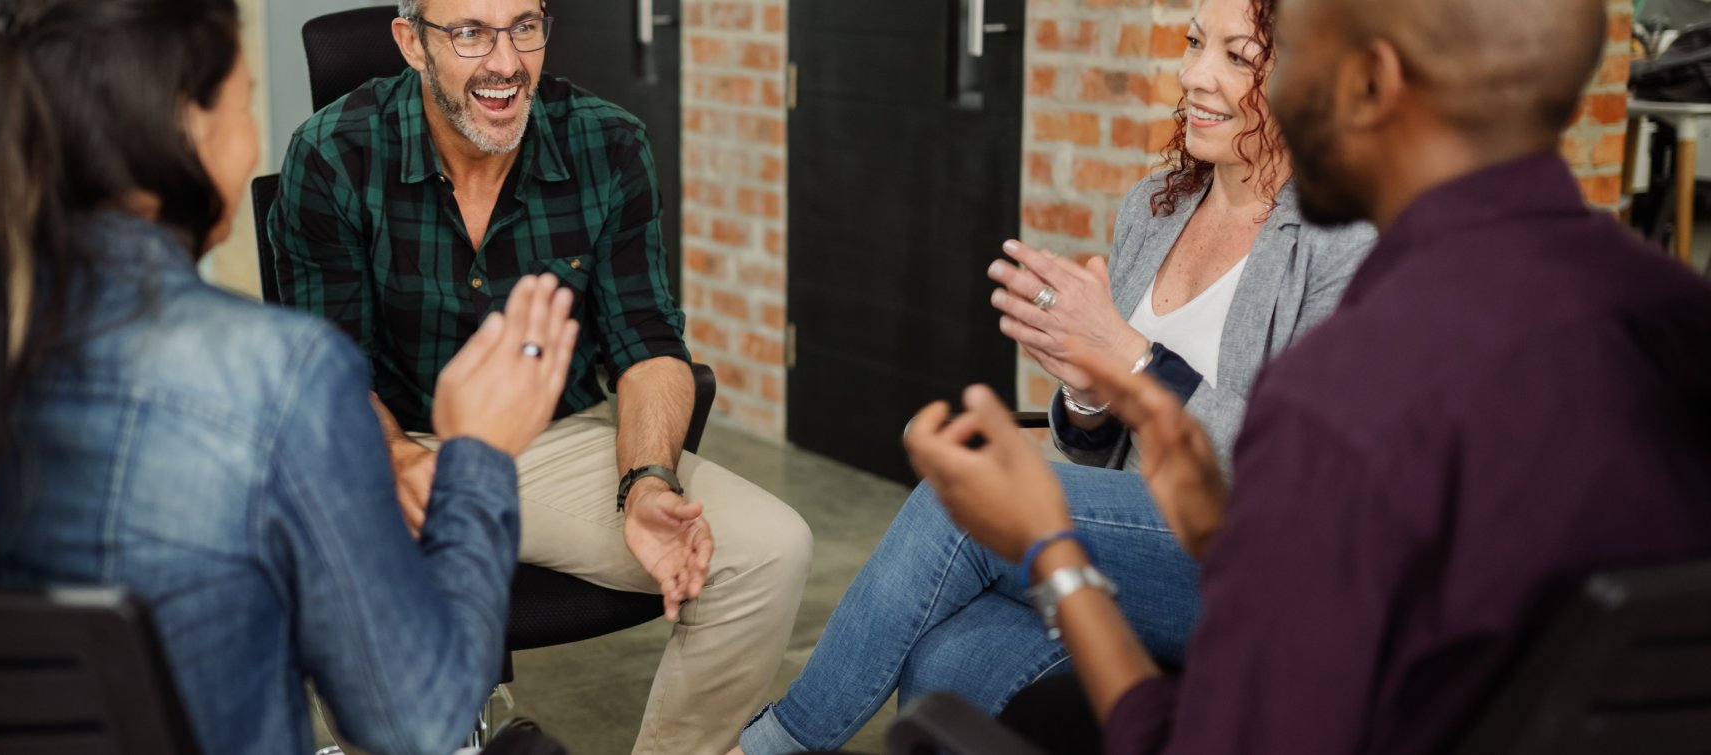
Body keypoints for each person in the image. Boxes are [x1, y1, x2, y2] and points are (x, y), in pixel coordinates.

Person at [913, 0, 1711, 751]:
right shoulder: (1680, 318)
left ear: (1372, 84)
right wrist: (1226, 535)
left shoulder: (1344, 398)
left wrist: (1054, 551)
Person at [0, 0, 581, 751]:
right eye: (243, 107)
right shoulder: (280, 379)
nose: (251, 146)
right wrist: (479, 456)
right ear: (184, 130)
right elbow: (415, 719)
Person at [734, 0, 1373, 750]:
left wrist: (1136, 362)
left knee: (962, 494)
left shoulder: (1347, 241)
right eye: (1197, 42)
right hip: (1138, 543)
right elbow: (1097, 454)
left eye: (1239, 56)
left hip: (1257, 562)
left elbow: (1288, 468)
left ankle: (770, 746)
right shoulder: (1153, 209)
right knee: (946, 664)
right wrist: (1089, 390)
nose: (1195, 74)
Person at [270, 1, 812, 751]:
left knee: (770, 547)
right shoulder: (332, 153)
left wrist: (648, 479)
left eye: (523, 26)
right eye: (469, 33)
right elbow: (328, 373)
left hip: (543, 441)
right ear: (412, 44)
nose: (504, 62)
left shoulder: (607, 141)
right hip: (391, 444)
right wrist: (395, 462)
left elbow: (648, 342)